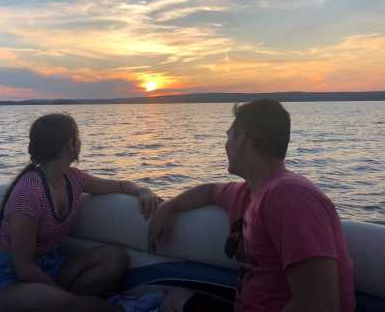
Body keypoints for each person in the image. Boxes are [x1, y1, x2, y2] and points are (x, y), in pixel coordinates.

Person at [148, 99, 355, 312]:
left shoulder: (290, 197)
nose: (225, 145)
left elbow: (320, 304)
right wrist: (168, 207)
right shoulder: (248, 192)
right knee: (175, 298)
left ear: (242, 138)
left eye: (229, 136)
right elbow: (209, 191)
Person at [0, 113, 163, 312]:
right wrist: (66, 298)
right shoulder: (29, 192)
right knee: (71, 305)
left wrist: (142, 190)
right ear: (70, 144)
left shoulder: (73, 178)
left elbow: (119, 186)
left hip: (51, 266)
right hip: (10, 280)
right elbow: (23, 266)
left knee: (115, 257)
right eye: (78, 137)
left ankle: (77, 303)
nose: (81, 141)